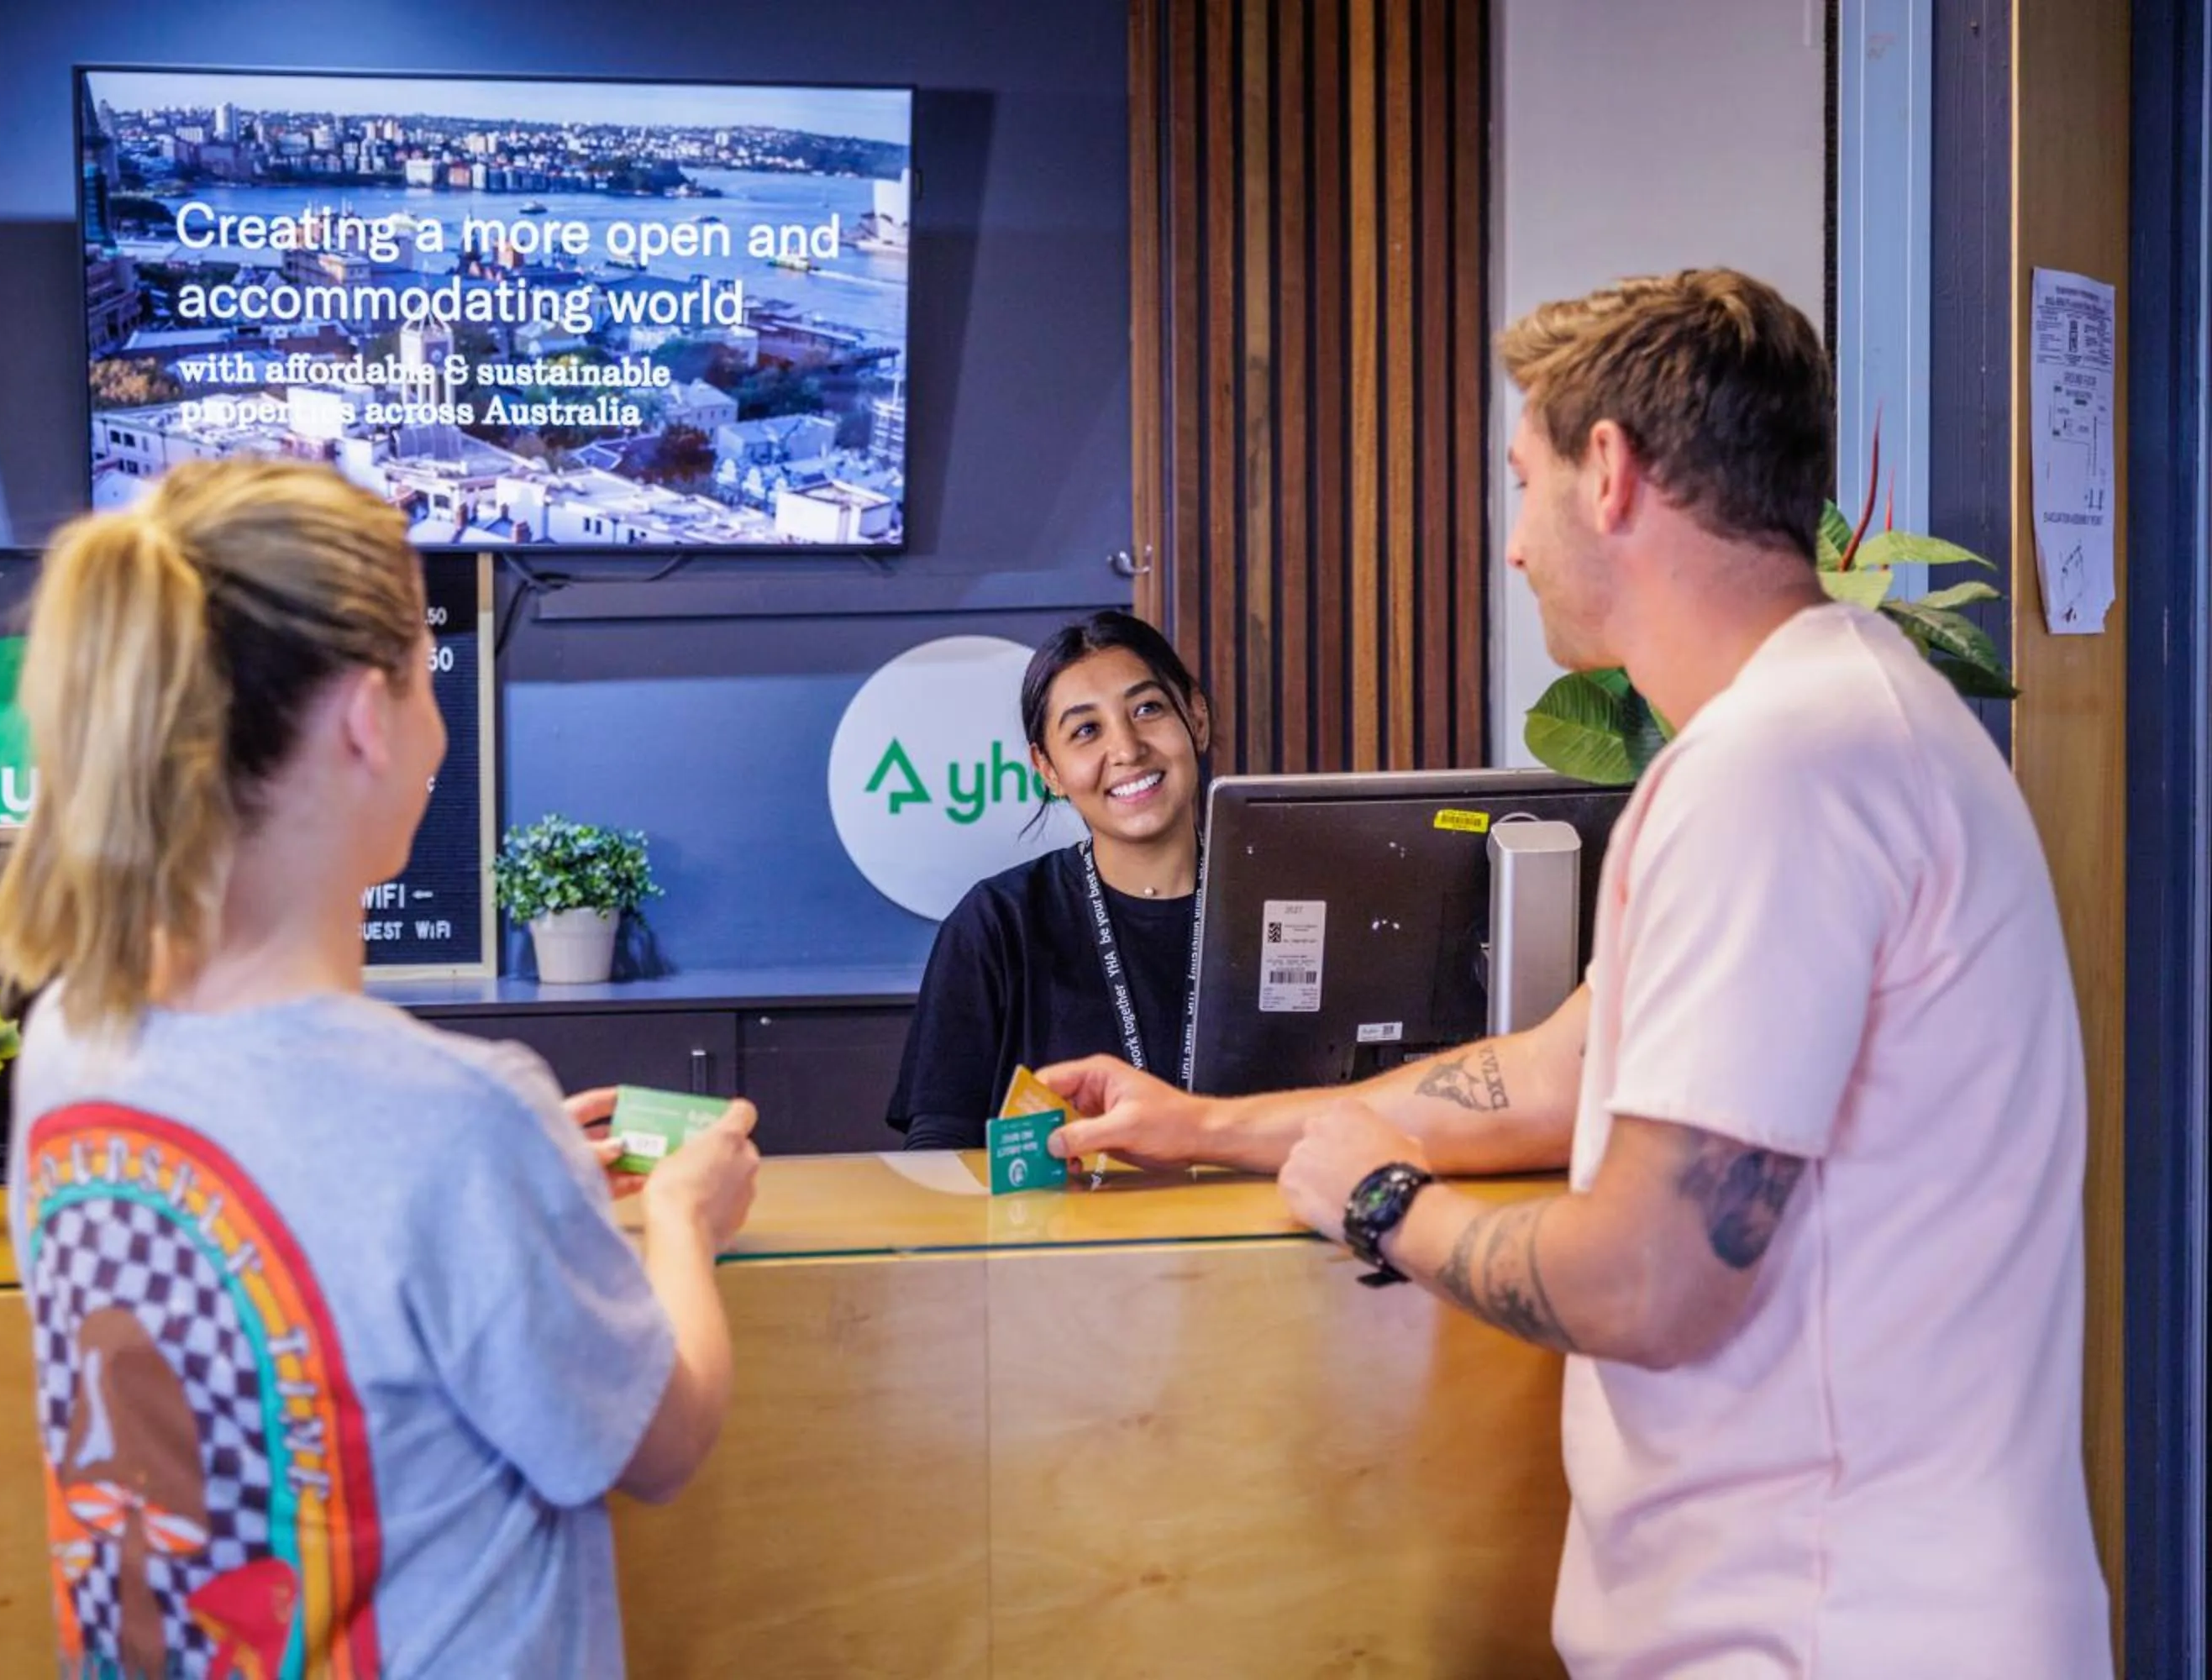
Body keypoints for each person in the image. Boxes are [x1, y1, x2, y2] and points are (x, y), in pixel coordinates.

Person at [1034, 270, 2112, 1676]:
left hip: (1832, 1629)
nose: (1516, 546)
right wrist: (1210, 1127)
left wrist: (1377, 1205)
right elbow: (1562, 1067)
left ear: (1608, 474)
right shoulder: (1831, 720)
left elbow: (1654, 1283)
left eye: (1521, 479)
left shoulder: (1777, 773)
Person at [0, 458, 760, 1678]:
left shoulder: (71, 1038)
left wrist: (522, 1181)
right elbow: (658, 1445)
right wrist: (681, 1220)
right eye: (428, 676)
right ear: (365, 715)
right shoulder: (456, 1121)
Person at [887, 610, 1212, 1149]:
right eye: (1086, 730)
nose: (1127, 750)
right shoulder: (996, 922)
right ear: (1049, 770)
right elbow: (939, 1146)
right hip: (1056, 1233)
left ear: (1195, 719)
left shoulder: (1288, 904)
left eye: (1148, 709)